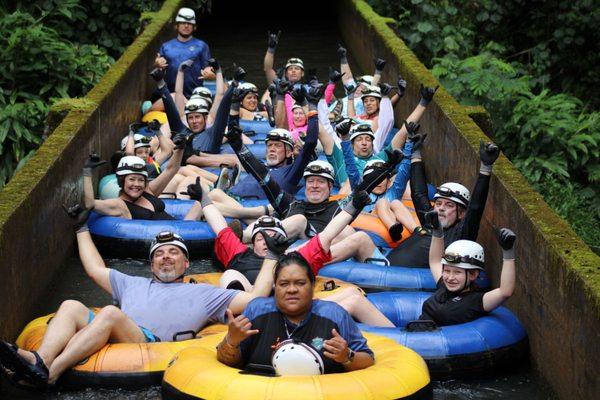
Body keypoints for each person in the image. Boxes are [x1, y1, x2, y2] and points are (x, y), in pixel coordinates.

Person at [0, 208, 276, 390]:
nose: (165, 257)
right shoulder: (130, 282)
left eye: (173, 253)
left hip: (147, 341)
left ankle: (50, 371)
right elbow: (95, 269)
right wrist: (81, 228)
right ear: (152, 264)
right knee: (71, 305)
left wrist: (273, 257)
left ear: (186, 264)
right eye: (159, 254)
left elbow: (256, 297)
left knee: (110, 313)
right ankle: (39, 359)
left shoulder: (207, 293)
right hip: (115, 331)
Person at [216, 236, 375, 373]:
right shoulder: (257, 310)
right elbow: (232, 364)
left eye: (300, 283)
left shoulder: (335, 315)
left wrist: (347, 356)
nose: (292, 290)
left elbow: (368, 359)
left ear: (312, 286)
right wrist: (231, 342)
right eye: (284, 284)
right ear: (275, 287)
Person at [387, 131, 500, 267]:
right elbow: (418, 194)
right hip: (383, 267)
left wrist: (485, 169)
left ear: (462, 213)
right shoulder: (430, 221)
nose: (441, 208)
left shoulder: (460, 234)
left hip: (405, 281)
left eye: (449, 205)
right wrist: (415, 153)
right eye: (438, 203)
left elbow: (475, 209)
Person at [420, 211, 517, 326]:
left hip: (435, 341)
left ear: (473, 275)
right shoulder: (444, 285)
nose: (450, 277)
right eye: (447, 270)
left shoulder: (476, 301)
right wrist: (437, 230)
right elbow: (435, 261)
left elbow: (505, 292)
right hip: (415, 333)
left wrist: (508, 252)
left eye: (457, 272)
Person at [82, 148, 201, 221]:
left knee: (197, 205)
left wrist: (180, 148)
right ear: (122, 181)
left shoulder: (148, 191)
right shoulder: (119, 205)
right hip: (165, 241)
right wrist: (87, 172)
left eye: (141, 180)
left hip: (181, 227)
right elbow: (90, 204)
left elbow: (171, 169)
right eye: (132, 179)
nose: (136, 184)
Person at [153, 7, 214, 99]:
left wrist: (211, 74)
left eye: (189, 23)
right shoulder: (166, 46)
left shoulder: (202, 46)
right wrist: (157, 64)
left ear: (194, 27)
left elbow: (209, 69)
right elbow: (159, 67)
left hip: (194, 96)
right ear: (176, 26)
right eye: (183, 23)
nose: (186, 26)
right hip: (170, 95)